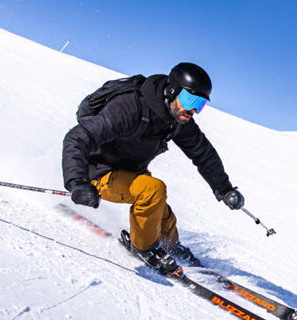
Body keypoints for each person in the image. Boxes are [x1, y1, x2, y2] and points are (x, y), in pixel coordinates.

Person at [62, 63, 244, 275]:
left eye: (200, 104)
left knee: (162, 213)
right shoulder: (129, 107)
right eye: (190, 100)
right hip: (99, 172)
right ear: (172, 91)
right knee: (153, 190)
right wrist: (78, 181)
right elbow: (78, 137)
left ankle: (170, 246)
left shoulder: (177, 119)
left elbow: (203, 154)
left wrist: (225, 189)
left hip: (132, 171)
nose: (193, 110)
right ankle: (145, 248)